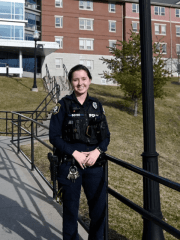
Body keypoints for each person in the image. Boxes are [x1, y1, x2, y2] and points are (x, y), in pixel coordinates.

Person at [49, 64, 110, 240]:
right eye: (76, 80)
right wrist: (74, 152)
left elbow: (106, 137)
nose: (80, 83)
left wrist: (97, 151)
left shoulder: (97, 105)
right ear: (71, 82)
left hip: (94, 166)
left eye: (83, 79)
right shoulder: (62, 105)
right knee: (70, 211)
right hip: (70, 165)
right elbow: (54, 137)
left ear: (89, 81)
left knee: (99, 211)